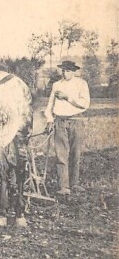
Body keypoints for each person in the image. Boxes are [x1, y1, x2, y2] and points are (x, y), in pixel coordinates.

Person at [44, 60, 90, 195]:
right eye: (63, 70)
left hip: (76, 120)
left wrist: (67, 98)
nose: (65, 73)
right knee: (61, 155)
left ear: (74, 72)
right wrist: (49, 119)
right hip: (60, 122)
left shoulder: (81, 84)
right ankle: (63, 186)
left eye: (68, 70)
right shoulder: (56, 85)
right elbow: (50, 105)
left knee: (75, 154)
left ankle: (74, 184)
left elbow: (85, 104)